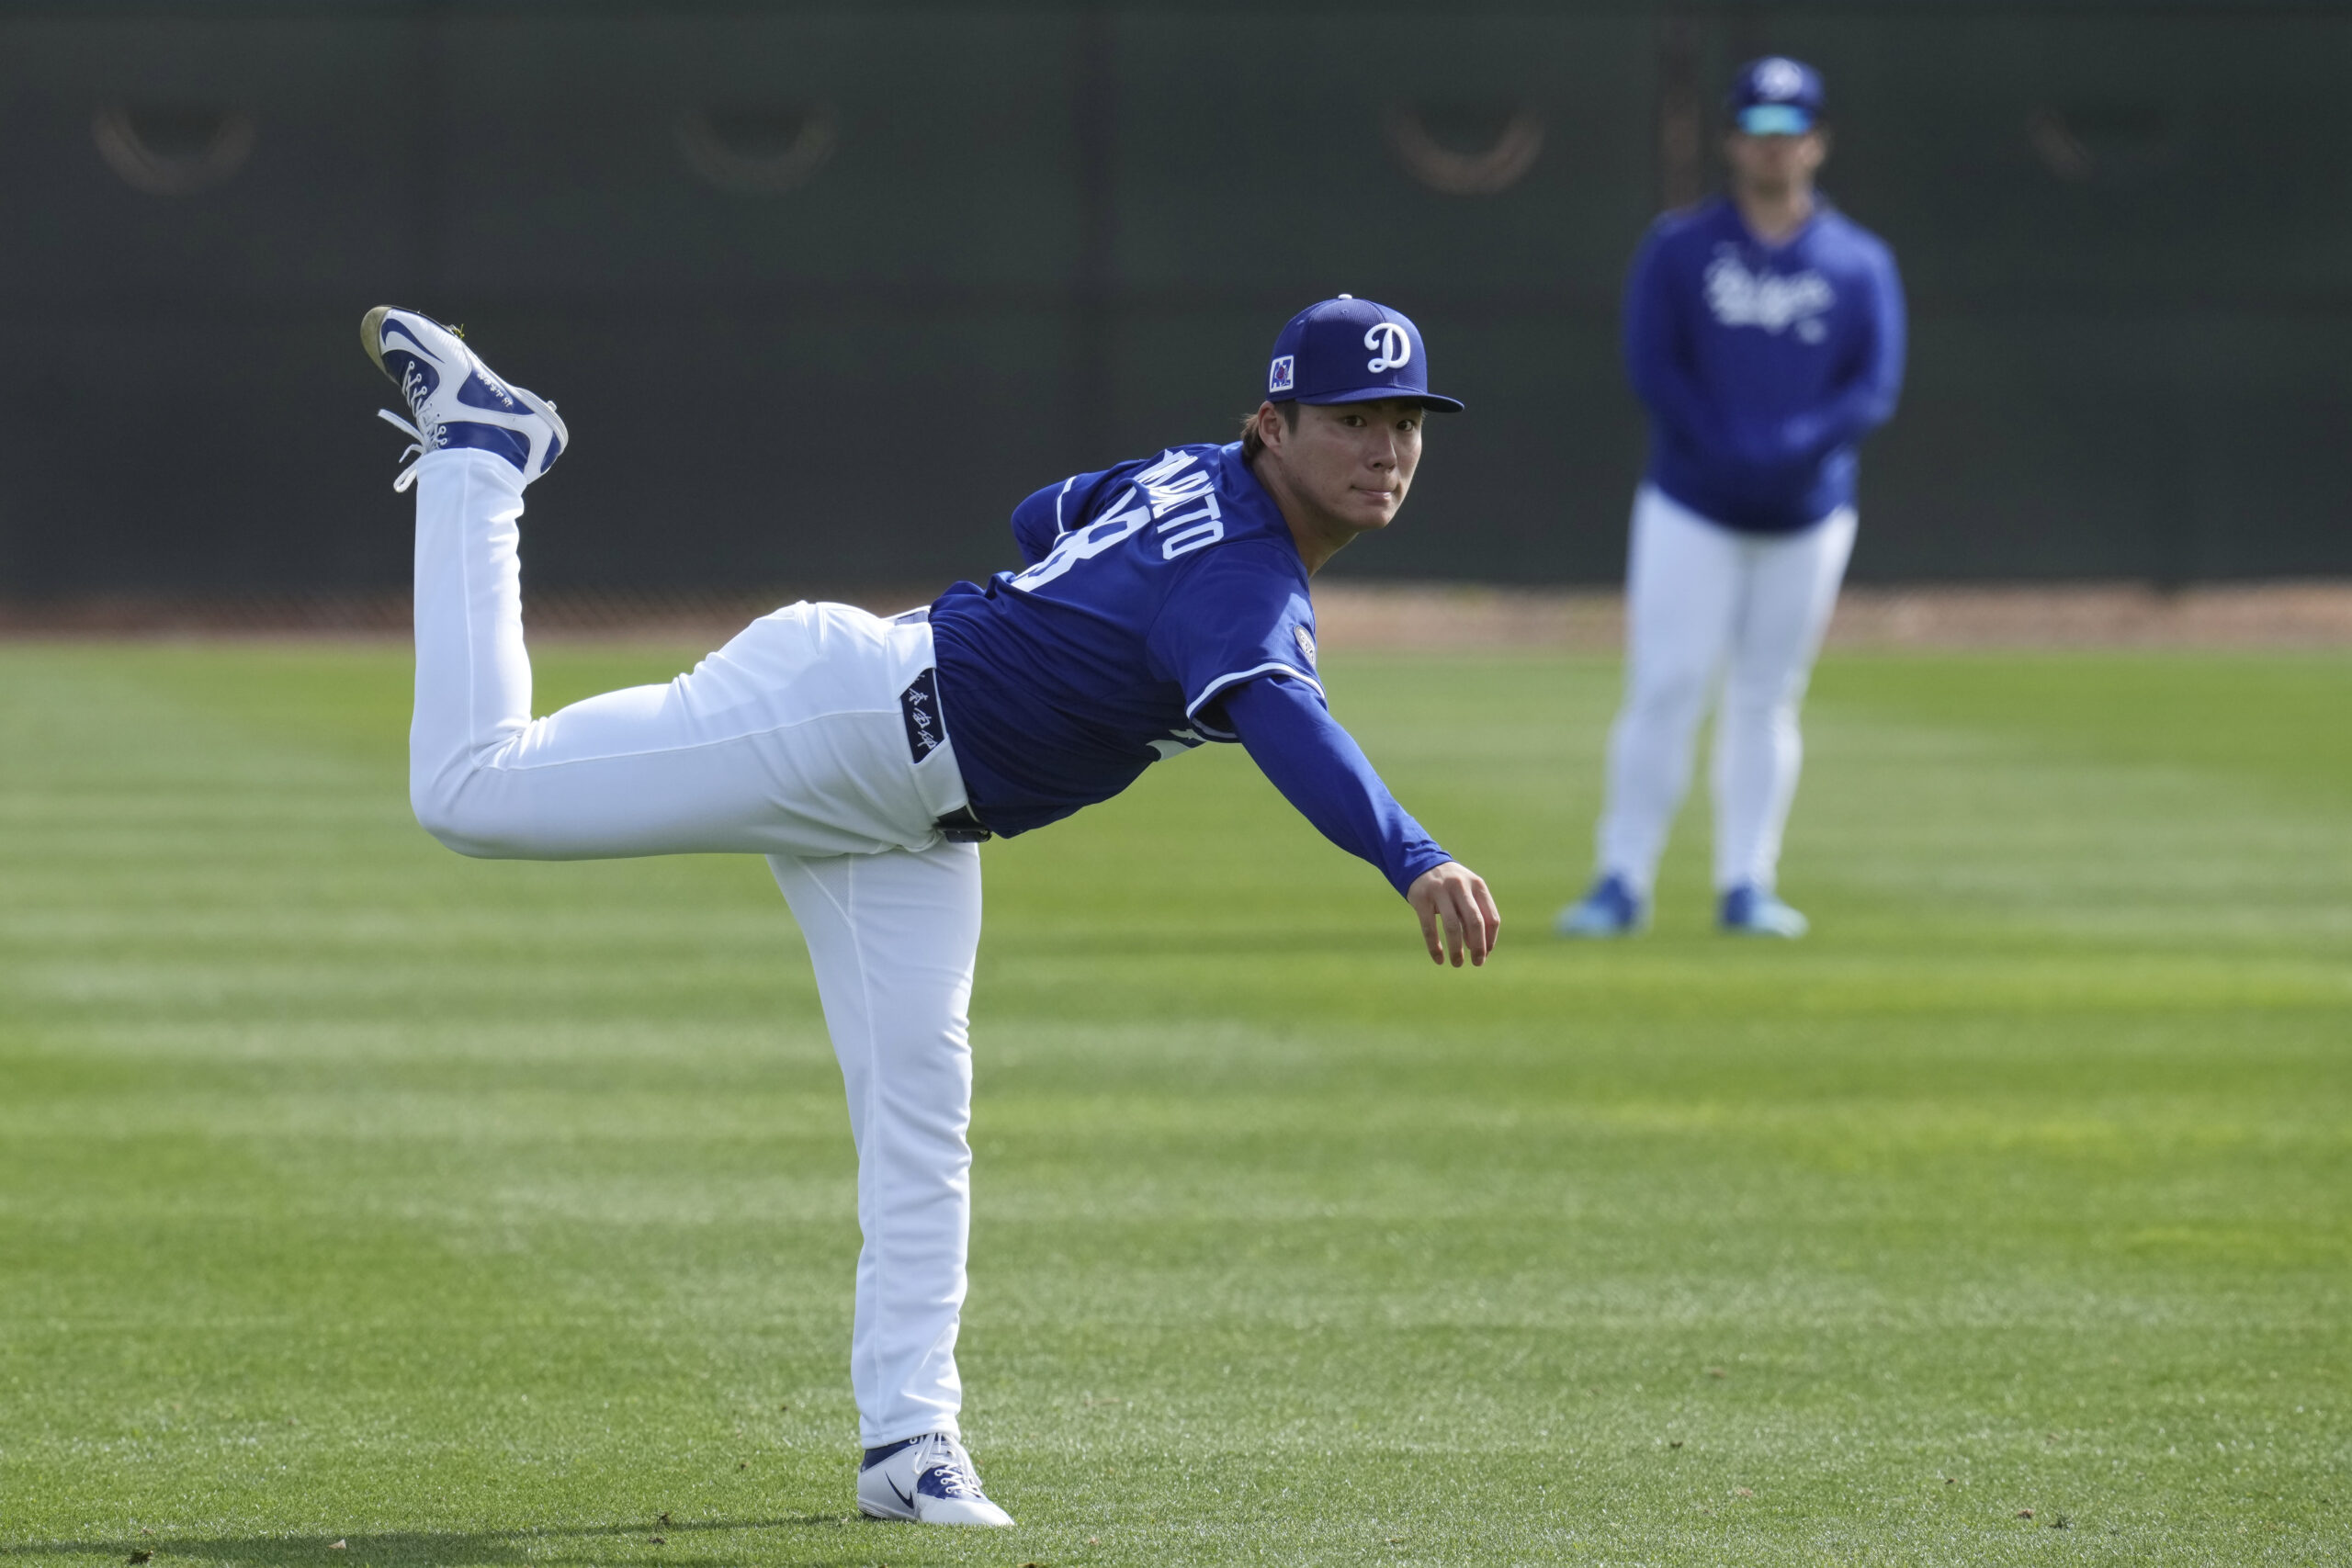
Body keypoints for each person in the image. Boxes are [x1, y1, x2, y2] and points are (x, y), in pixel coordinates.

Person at [361, 297, 1498, 1527]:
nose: (1384, 449)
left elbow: (1043, 516)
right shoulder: (1243, 573)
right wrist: (1413, 854)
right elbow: (1286, 718)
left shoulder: (1197, 476)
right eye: (1351, 421)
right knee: (472, 787)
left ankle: (910, 1438)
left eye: (1403, 422)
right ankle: (483, 457)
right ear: (1273, 425)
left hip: (915, 817)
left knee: (921, 1115)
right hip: (845, 721)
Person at [1557, 55, 1905, 940]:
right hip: (1691, 504)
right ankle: (1621, 878)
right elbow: (1652, 365)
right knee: (1666, 685)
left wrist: (1795, 446)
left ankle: (1748, 882)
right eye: (1757, 131)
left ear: (1818, 143)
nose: (1773, 150)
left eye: (1790, 134)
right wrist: (1725, 441)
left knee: (1766, 695)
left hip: (1808, 512)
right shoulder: (1680, 248)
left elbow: (1872, 384)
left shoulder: (1858, 262)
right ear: (1731, 140)